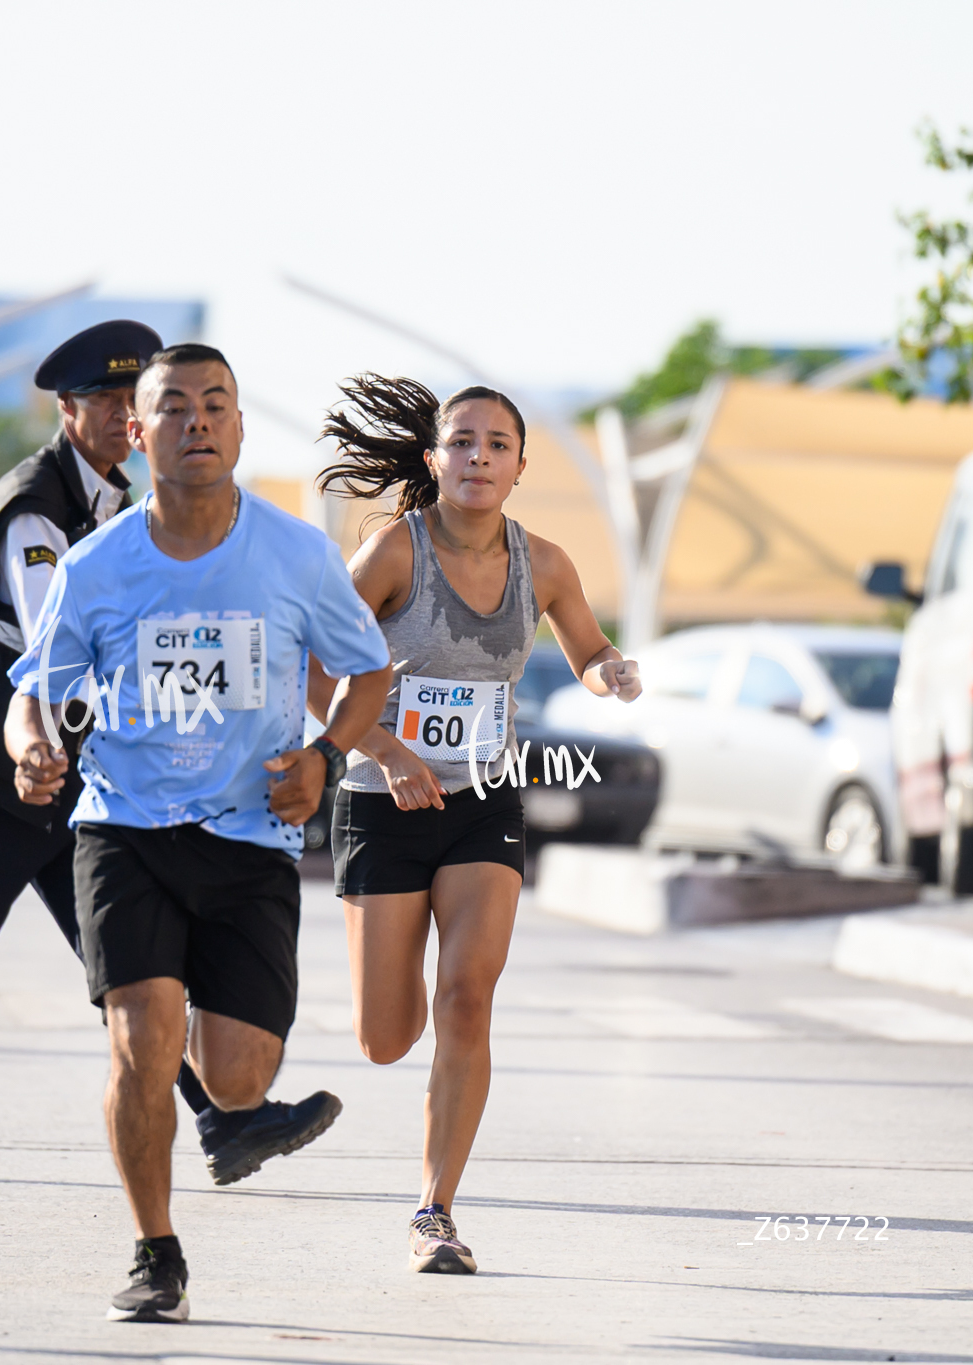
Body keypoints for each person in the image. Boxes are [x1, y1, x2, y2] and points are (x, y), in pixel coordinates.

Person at [0, 322, 341, 1184]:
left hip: (73, 776)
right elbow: (56, 645)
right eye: (104, 401)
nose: (121, 416)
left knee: (132, 961)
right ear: (67, 411)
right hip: (8, 767)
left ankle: (222, 1120)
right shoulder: (38, 504)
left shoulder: (110, 498)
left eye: (129, 400)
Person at [4, 343, 394, 1323]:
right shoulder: (96, 567)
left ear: (237, 427)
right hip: (124, 831)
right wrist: (30, 747)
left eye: (214, 404)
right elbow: (31, 694)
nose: (196, 422)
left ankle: (236, 1114)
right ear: (138, 434)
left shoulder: (296, 553)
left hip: (253, 838)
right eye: (172, 408)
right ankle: (154, 1252)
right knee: (140, 1043)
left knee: (232, 1079)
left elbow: (366, 672)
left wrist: (323, 759)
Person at [314, 376, 642, 1275]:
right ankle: (397, 980)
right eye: (462, 442)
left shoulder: (548, 562)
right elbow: (313, 667)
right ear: (434, 459)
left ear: (521, 466)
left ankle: (435, 1210)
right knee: (387, 1035)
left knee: (469, 992)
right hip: (383, 803)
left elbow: (587, 648)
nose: (479, 457)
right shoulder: (392, 553)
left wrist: (611, 671)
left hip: (482, 803)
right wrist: (384, 749)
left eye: (497, 444)